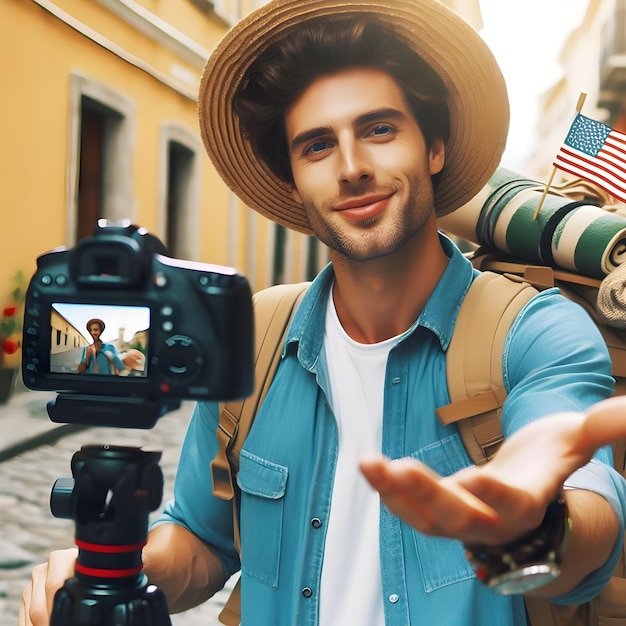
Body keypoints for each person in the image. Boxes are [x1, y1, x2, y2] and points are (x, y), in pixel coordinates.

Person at [19, 1, 626, 625]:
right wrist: (121, 571)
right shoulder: (250, 336)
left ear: (435, 147)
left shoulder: (536, 332)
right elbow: (203, 538)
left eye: (380, 129)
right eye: (316, 146)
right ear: (293, 180)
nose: (352, 166)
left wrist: (535, 523)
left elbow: (590, 534)